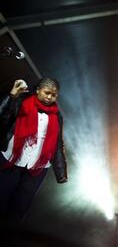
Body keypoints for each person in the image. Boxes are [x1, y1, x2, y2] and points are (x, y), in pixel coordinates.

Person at [0, 78, 67, 230]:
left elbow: (57, 143)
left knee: (20, 208)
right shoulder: (21, 102)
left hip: (37, 168)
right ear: (38, 90)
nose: (50, 97)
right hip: (11, 160)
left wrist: (61, 172)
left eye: (54, 95)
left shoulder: (57, 116)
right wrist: (11, 96)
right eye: (47, 93)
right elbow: (2, 118)